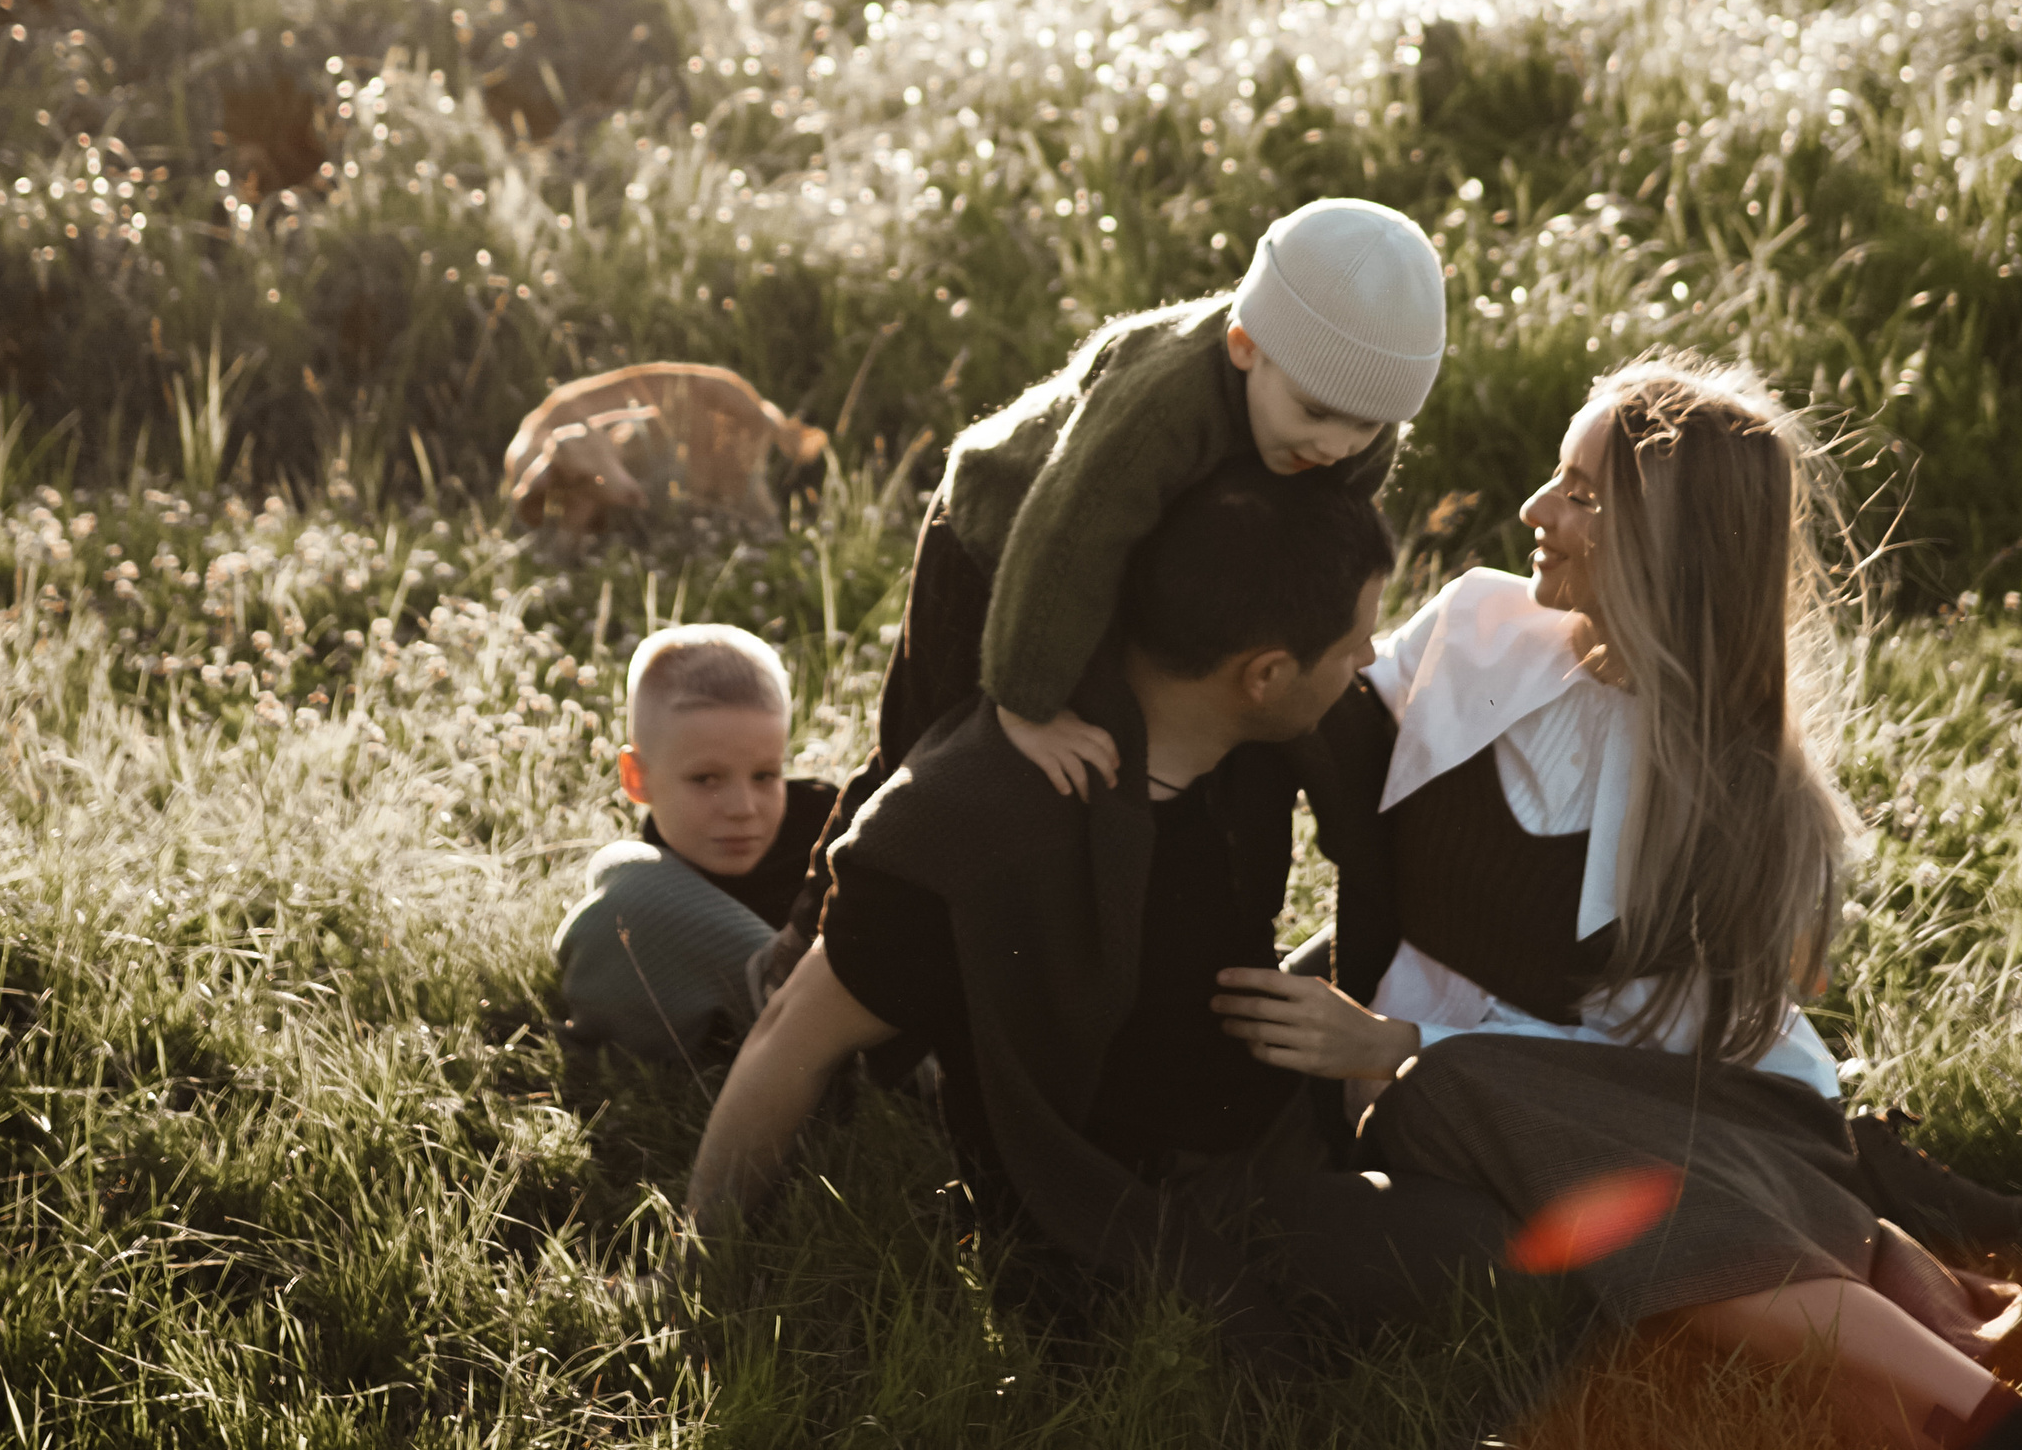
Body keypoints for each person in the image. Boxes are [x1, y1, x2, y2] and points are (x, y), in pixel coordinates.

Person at [1211, 355, 2022, 1450]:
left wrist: (1401, 1044)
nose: (1532, 510)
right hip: (1481, 1096)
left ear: (1661, 548)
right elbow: (1315, 710)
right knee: (1506, 1109)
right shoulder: (1471, 626)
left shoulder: (1739, 793)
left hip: (1637, 1102)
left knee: (1551, 1125)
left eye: (1575, 491)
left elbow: (1664, 1053)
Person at [683, 463, 1517, 1368]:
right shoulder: (982, 819)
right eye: (1354, 641)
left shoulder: (1254, 739)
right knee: (1504, 1254)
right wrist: (693, 1276)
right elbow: (789, 1038)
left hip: (1256, 1069)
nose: (1368, 659)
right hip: (1150, 1182)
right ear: (1265, 675)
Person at [771, 199, 1447, 963]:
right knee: (927, 744)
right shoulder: (1160, 403)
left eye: (1367, 426)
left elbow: (1313, 540)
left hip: (1126, 558)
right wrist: (1026, 704)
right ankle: (816, 933)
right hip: (1002, 537)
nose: (1337, 444)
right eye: (1318, 412)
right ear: (1244, 346)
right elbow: (1064, 536)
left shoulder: (1345, 429)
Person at [553, 624, 838, 1071]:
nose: (743, 809)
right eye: (706, 779)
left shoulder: (831, 834)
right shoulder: (655, 880)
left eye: (765, 775)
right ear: (637, 777)